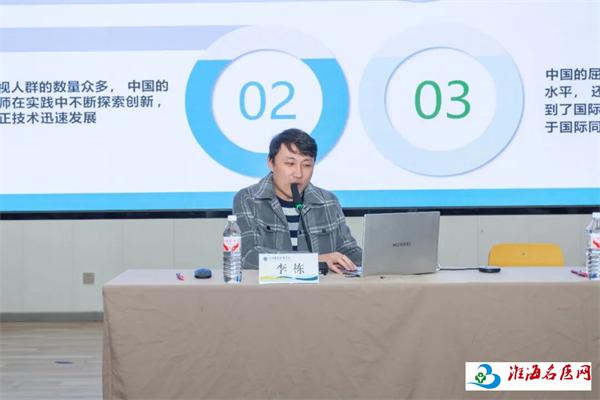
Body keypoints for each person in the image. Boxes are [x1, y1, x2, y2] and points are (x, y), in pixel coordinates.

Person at [233, 128, 362, 274]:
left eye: (306, 165)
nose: (299, 174)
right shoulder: (248, 199)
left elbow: (347, 250)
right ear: (271, 163)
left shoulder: (328, 201)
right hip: (271, 288)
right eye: (290, 164)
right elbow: (249, 256)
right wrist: (315, 261)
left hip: (323, 287)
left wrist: (375, 259)